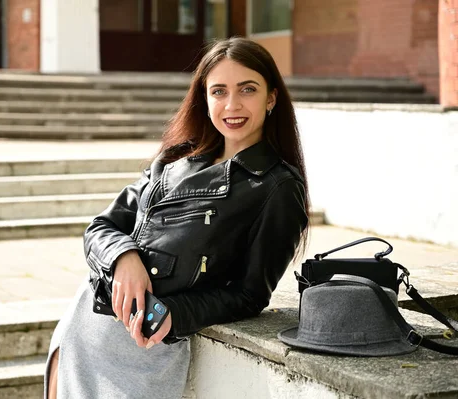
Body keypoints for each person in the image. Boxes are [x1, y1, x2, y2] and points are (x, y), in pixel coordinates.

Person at [44, 36, 310, 399]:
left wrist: (175, 315)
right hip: (86, 322)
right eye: (218, 91)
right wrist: (124, 257)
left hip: (146, 346)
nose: (232, 104)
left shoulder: (277, 188)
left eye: (247, 89)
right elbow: (101, 226)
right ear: (205, 98)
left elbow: (250, 295)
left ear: (271, 97)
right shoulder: (174, 160)